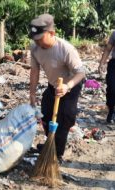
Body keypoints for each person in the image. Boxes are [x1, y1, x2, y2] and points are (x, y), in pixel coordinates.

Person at [28, 14, 85, 162]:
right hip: (53, 85)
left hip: (71, 85)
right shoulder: (34, 48)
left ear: (52, 33)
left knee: (65, 117)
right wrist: (32, 94)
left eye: (40, 38)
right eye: (35, 38)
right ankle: (50, 143)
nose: (37, 41)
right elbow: (35, 71)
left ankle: (57, 154)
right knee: (46, 114)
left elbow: (81, 73)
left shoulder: (66, 49)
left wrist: (67, 86)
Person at [98, 30, 115, 123]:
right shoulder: (114, 33)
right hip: (114, 64)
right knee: (112, 88)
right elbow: (108, 49)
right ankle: (111, 110)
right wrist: (102, 63)